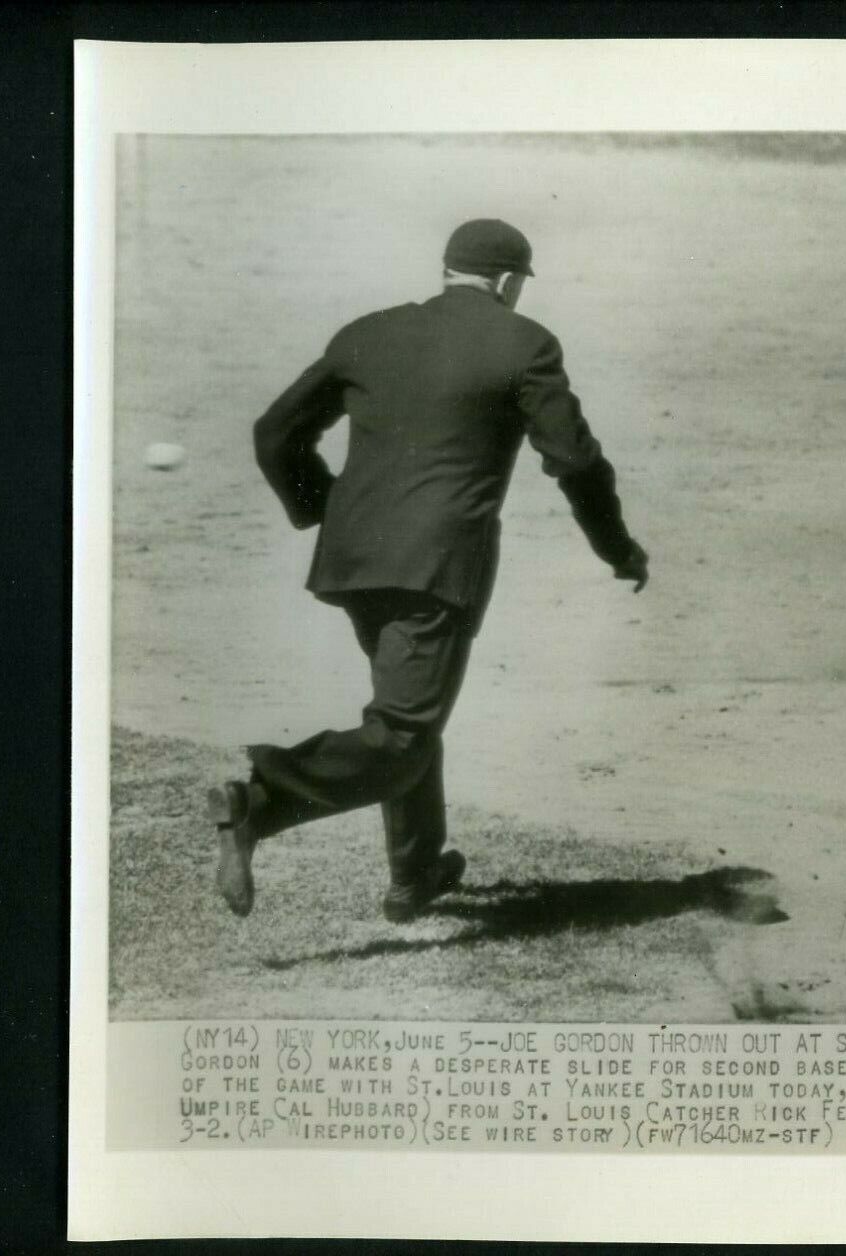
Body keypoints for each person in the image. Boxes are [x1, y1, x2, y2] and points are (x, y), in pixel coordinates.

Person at [209, 218, 649, 922]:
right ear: (507, 281)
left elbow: (274, 432)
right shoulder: (524, 342)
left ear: (449, 269)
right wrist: (617, 547)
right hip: (437, 566)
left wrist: (324, 505)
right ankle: (258, 805)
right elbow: (573, 460)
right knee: (403, 731)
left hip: (355, 562)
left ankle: (416, 874)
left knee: (411, 715)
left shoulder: (368, 331)